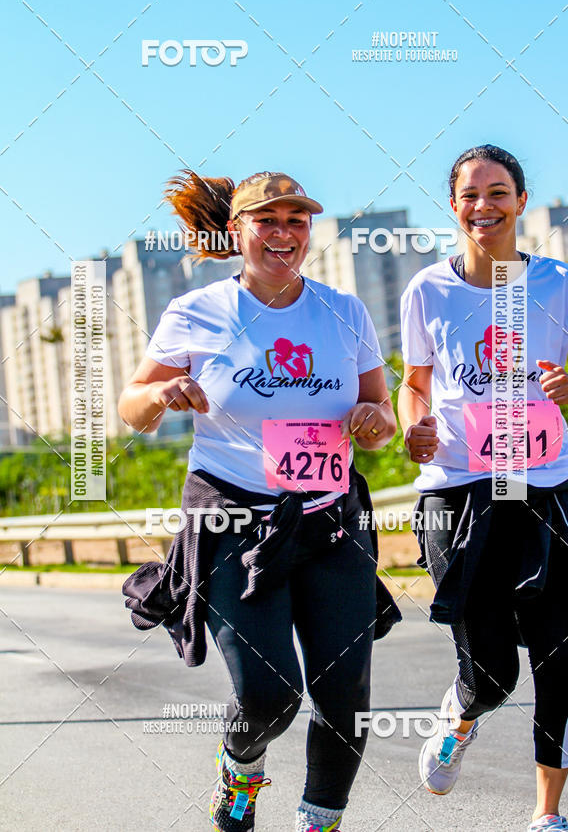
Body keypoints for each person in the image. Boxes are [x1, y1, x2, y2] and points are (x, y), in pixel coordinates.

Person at [118, 171, 401, 832]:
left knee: (345, 697)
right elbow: (132, 408)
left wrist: (373, 419)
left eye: (296, 221)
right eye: (267, 221)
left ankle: (319, 823)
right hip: (233, 518)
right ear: (237, 231)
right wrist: (161, 396)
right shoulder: (197, 312)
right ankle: (240, 768)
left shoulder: (344, 311)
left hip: (331, 519)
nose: (283, 234)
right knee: (269, 695)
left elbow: (382, 413)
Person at [398, 144, 568, 832]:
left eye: (498, 192)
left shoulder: (560, 284)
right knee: (490, 671)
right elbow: (414, 384)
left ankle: (547, 816)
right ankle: (463, 713)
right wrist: (414, 426)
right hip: (460, 492)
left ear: (520, 200)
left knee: (559, 657)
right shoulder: (428, 289)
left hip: (547, 486)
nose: (483, 206)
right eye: (470, 194)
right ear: (453, 205)